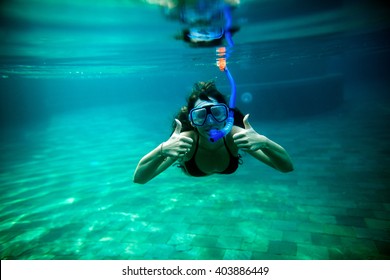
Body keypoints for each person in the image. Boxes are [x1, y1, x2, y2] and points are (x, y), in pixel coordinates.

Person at [133, 81, 293, 184]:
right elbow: (140, 178)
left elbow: (286, 167)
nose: (210, 122)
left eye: (217, 112)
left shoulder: (234, 136)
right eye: (200, 116)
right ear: (191, 121)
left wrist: (264, 142)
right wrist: (161, 150)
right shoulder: (186, 143)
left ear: (227, 116)